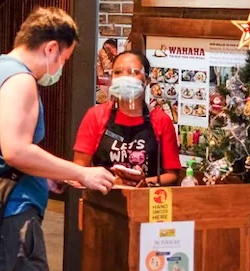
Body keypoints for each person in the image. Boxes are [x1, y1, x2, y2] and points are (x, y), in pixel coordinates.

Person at [0, 7, 115, 271]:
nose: (58, 70)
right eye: (63, 61)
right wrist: (82, 174)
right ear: (51, 48)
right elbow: (16, 150)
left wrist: (44, 174)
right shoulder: (20, 81)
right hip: (12, 220)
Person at [73, 51, 182, 187]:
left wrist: (142, 183)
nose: (124, 77)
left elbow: (172, 175)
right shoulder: (96, 115)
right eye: (118, 72)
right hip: (101, 199)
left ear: (147, 81)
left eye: (133, 72)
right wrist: (112, 182)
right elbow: (80, 167)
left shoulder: (161, 120)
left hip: (146, 200)